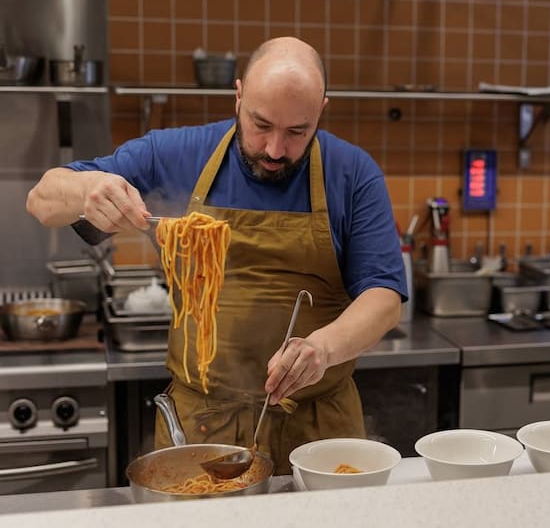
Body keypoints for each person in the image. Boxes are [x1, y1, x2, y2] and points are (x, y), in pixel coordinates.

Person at [26, 36, 406, 475]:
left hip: (318, 433)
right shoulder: (175, 154)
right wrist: (85, 189)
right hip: (202, 429)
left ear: (322, 109)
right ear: (239, 95)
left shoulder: (353, 173)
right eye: (261, 124)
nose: (275, 150)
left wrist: (322, 348)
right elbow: (42, 199)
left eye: (297, 131)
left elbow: (383, 298)